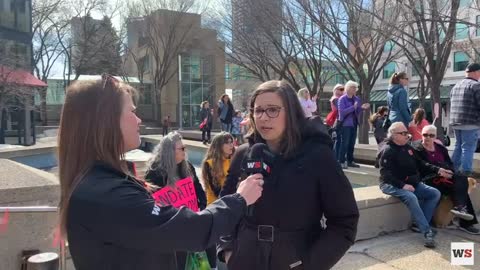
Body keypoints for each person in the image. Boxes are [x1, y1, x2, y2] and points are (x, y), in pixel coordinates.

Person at [57, 74, 264, 270]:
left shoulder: (98, 182)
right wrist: (240, 199)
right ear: (105, 120)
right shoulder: (107, 194)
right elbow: (190, 229)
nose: (139, 120)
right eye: (132, 111)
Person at [218, 80, 359, 270]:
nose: (264, 117)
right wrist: (228, 251)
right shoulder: (243, 154)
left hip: (294, 260)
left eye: (273, 110)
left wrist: (310, 265)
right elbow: (225, 207)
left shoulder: (318, 156)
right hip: (245, 258)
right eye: (258, 110)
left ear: (291, 112)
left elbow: (344, 222)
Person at [377, 122, 451, 248]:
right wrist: (402, 186)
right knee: (411, 197)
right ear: (394, 135)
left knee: (434, 193)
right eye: (403, 133)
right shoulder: (388, 150)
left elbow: (421, 163)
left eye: (407, 133)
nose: (408, 135)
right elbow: (385, 175)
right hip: (391, 184)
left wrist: (438, 170)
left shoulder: (408, 148)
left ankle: (420, 224)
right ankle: (427, 232)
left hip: (410, 182)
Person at [144, 131, 208, 269]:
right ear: (169, 151)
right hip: (170, 231)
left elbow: (198, 190)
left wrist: (202, 207)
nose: (185, 151)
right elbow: (152, 202)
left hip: (190, 224)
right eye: (182, 148)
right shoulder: (155, 173)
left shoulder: (188, 167)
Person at [412, 125, 479, 234]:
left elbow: (450, 163)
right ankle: (422, 222)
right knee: (448, 188)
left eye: (431, 135)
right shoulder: (416, 148)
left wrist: (448, 171)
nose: (427, 137)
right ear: (421, 134)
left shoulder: (440, 148)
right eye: (425, 135)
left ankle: (462, 212)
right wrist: (439, 170)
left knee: (461, 180)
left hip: (444, 177)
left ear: (435, 136)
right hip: (428, 178)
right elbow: (421, 165)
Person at [201, 132, 236, 269]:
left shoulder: (235, 160)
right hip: (217, 208)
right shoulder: (209, 164)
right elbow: (218, 191)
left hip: (233, 207)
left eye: (231, 141)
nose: (231, 145)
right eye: (227, 142)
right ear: (218, 145)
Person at [449, 62, 480, 176]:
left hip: (456, 121)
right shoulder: (476, 85)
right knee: (468, 147)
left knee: (458, 146)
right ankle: (466, 172)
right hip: (470, 122)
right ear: (476, 72)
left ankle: (452, 169)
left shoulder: (456, 85)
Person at [337, 80, 370, 169]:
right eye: (353, 87)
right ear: (348, 88)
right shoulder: (342, 99)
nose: (355, 89)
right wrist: (353, 107)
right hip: (345, 124)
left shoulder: (356, 99)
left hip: (354, 123)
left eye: (356, 88)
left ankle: (350, 161)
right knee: (345, 143)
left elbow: (357, 111)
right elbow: (342, 112)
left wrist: (362, 108)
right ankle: (341, 161)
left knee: (352, 143)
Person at [328, 84, 345, 161]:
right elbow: (341, 108)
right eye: (340, 89)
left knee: (338, 139)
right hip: (337, 120)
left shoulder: (339, 98)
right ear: (335, 90)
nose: (342, 91)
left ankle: (336, 157)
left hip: (339, 120)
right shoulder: (335, 99)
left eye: (343, 89)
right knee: (338, 139)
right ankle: (335, 157)